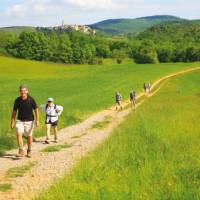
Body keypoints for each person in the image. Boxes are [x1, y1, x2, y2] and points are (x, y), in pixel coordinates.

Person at [10, 85, 39, 158]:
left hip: (30, 121)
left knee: (29, 136)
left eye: (24, 91)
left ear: (27, 91)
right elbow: (14, 111)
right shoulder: (17, 100)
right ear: (19, 92)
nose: (23, 92)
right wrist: (12, 122)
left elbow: (36, 110)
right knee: (19, 134)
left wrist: (37, 120)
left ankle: (29, 150)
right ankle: (21, 150)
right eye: (21, 91)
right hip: (20, 120)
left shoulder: (31, 99)